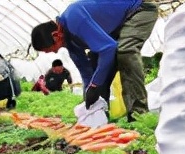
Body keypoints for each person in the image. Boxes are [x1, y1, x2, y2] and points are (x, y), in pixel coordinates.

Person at [30, 0, 158, 122]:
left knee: (125, 52)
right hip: (116, 25)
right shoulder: (69, 41)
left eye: (50, 49)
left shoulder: (74, 19)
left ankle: (138, 114)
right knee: (97, 63)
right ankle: (99, 117)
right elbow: (86, 71)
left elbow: (108, 49)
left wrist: (95, 85)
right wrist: (89, 97)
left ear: (55, 35)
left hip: (138, 10)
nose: (54, 52)